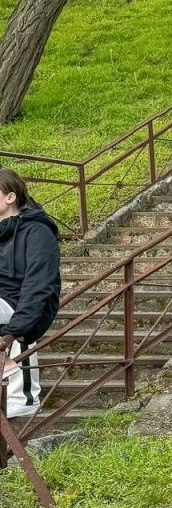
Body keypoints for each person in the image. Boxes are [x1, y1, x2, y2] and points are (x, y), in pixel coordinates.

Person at [0, 168, 61, 421]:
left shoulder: (38, 232)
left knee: (19, 326)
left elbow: (39, 285)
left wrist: (13, 332)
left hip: (23, 303)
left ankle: (23, 399)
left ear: (10, 197)